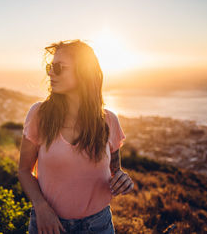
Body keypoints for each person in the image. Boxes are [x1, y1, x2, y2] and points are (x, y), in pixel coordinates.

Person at [18, 40, 134, 234]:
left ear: (83, 72)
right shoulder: (39, 115)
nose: (50, 73)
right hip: (49, 225)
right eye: (50, 67)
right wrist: (41, 207)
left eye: (58, 68)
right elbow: (23, 170)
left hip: (98, 226)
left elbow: (115, 170)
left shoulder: (108, 121)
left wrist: (123, 179)